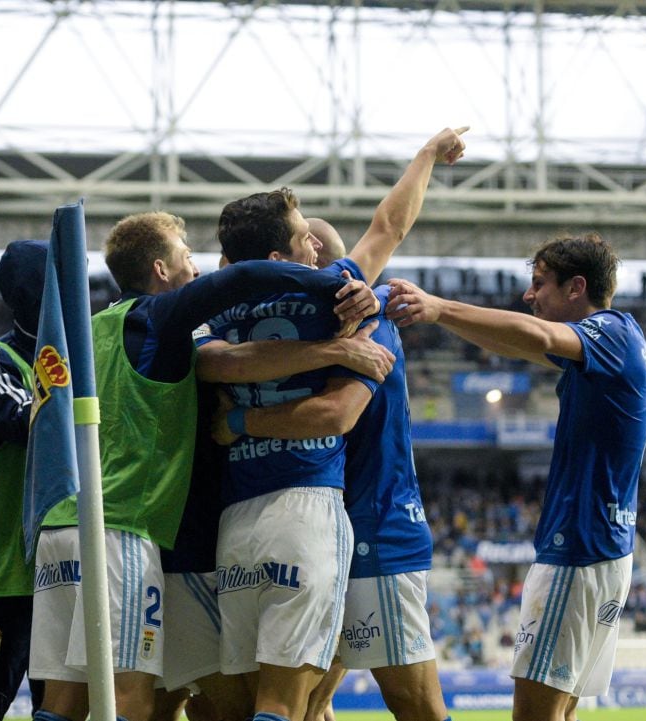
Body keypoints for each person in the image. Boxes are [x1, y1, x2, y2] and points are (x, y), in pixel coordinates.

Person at [28, 211, 375, 721]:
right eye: (187, 257)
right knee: (132, 699)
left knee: (62, 703)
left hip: (60, 526)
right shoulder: (159, 319)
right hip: (121, 528)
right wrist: (339, 281)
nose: (198, 267)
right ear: (160, 271)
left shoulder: (92, 329)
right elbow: (242, 278)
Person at [198, 126, 466, 721]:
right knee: (299, 701)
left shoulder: (214, 314)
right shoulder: (335, 302)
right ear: (285, 258)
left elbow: (215, 359)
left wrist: (239, 418)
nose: (319, 256)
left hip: (352, 516)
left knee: (316, 698)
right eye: (307, 243)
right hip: (314, 510)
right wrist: (427, 154)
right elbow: (389, 226)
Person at [387, 232, 646, 721]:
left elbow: (539, 336)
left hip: (579, 548)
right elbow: (517, 344)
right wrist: (441, 318)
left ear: (576, 288)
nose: (529, 296)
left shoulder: (609, 332)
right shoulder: (609, 349)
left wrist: (438, 307)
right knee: (561, 712)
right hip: (605, 549)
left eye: (539, 284)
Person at [0, 241, 48, 721]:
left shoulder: (85, 359)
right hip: (3, 577)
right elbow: (25, 423)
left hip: (61, 575)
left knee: (57, 708)